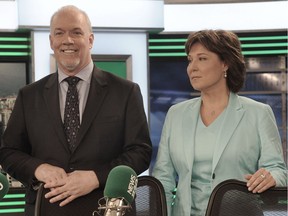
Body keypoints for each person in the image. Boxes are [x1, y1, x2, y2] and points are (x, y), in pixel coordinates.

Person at [0, 5, 152, 215]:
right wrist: (39, 169)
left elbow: (140, 152)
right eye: (59, 33)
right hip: (45, 208)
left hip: (107, 208)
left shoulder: (125, 91)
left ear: (90, 40)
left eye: (76, 32)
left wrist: (95, 177)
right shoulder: (29, 95)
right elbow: (8, 152)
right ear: (51, 41)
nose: (67, 40)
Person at [152, 29, 287, 216]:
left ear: (225, 63)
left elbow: (279, 170)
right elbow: (163, 178)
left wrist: (271, 177)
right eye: (190, 60)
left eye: (202, 58)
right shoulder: (176, 114)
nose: (192, 68)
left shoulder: (258, 113)